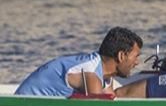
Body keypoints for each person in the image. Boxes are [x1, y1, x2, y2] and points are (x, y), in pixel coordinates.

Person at [15, 27, 143, 97]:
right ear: (121, 56)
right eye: (136, 56)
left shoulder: (104, 74)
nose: (137, 62)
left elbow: (112, 101)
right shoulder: (90, 73)